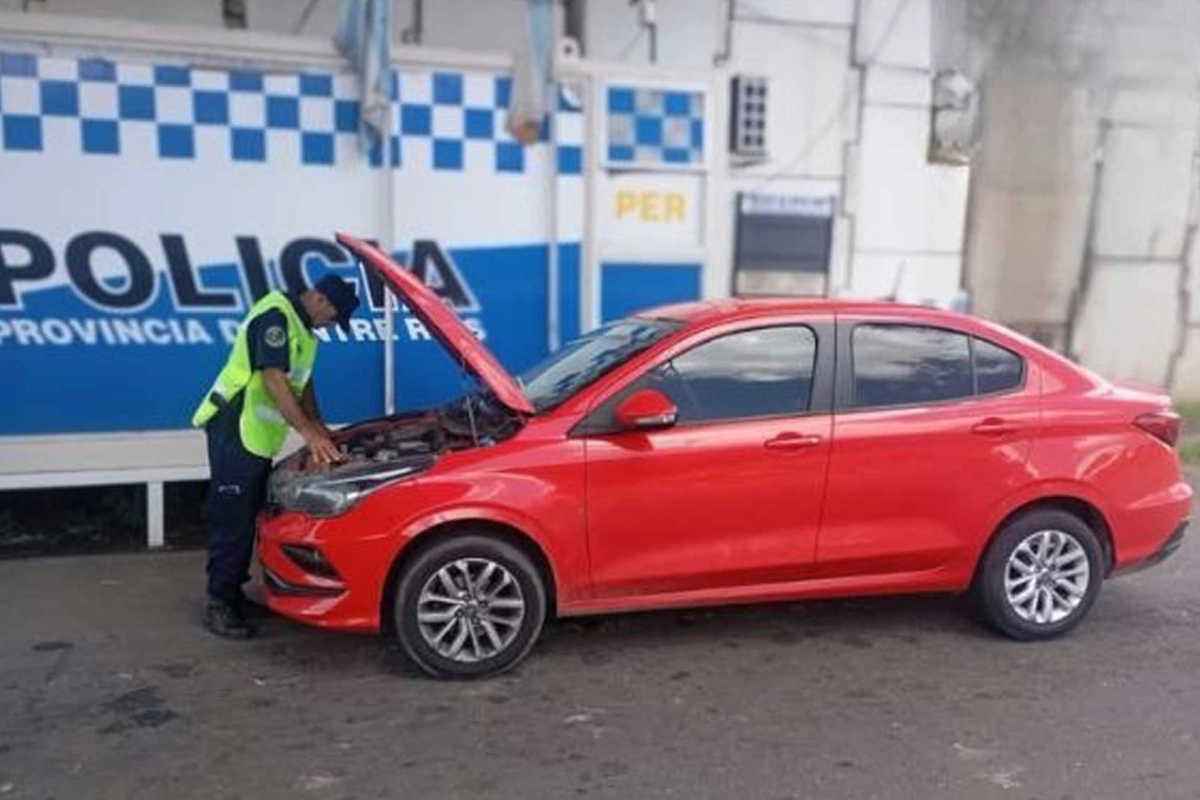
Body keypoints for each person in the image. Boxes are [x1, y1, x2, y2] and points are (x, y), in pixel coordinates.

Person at [191, 275, 359, 639]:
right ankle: (219, 602)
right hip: (234, 426)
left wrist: (320, 426)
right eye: (333, 317)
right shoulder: (275, 317)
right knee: (231, 519)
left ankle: (234, 593)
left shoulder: (303, 331)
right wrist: (308, 433)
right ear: (319, 298)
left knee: (249, 515)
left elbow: (303, 382)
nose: (331, 325)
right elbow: (273, 379)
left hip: (256, 436)